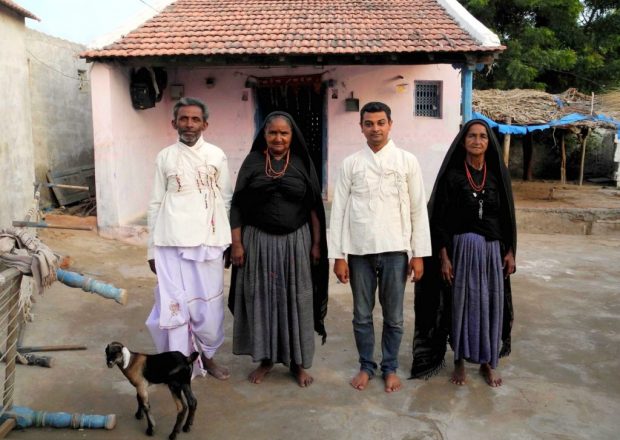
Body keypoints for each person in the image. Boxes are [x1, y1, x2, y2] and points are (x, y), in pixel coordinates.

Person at [329, 102, 432, 393]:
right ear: (360, 126)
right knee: (362, 314)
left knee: (394, 317)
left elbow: (417, 210)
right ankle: (366, 366)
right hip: (359, 252)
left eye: (380, 123)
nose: (375, 129)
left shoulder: (407, 161)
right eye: (369, 123)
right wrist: (338, 255)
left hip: (396, 251)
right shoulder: (351, 163)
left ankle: (390, 367)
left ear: (390, 125)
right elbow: (338, 212)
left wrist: (419, 254)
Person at [410, 119, 516, 387]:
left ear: (488, 142)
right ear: (463, 140)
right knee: (461, 305)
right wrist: (443, 256)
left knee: (490, 305)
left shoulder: (497, 176)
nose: (477, 141)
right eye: (472, 136)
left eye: (482, 136)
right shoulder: (452, 176)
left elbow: (507, 217)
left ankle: (487, 363)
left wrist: (510, 250)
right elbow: (441, 220)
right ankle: (458, 360)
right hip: (462, 251)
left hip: (492, 251)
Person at [228, 111, 328, 388]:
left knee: (296, 299)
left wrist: (317, 243)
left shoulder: (301, 163)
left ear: (292, 136)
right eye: (273, 132)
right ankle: (266, 360)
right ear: (265, 135)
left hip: (296, 243)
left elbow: (314, 209)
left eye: (284, 133)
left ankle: (297, 363)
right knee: (263, 300)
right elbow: (237, 205)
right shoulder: (252, 162)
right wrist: (237, 243)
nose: (278, 138)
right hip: (258, 243)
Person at [145, 97, 232, 380]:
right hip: (170, 244)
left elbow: (226, 199)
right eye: (184, 119)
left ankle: (207, 358)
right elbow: (156, 203)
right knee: (176, 306)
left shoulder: (217, 155)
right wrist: (150, 250)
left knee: (208, 307)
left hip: (208, 242)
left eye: (195, 119)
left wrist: (226, 240)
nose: (189, 124)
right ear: (174, 123)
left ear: (205, 124)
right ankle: (180, 363)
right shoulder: (164, 157)